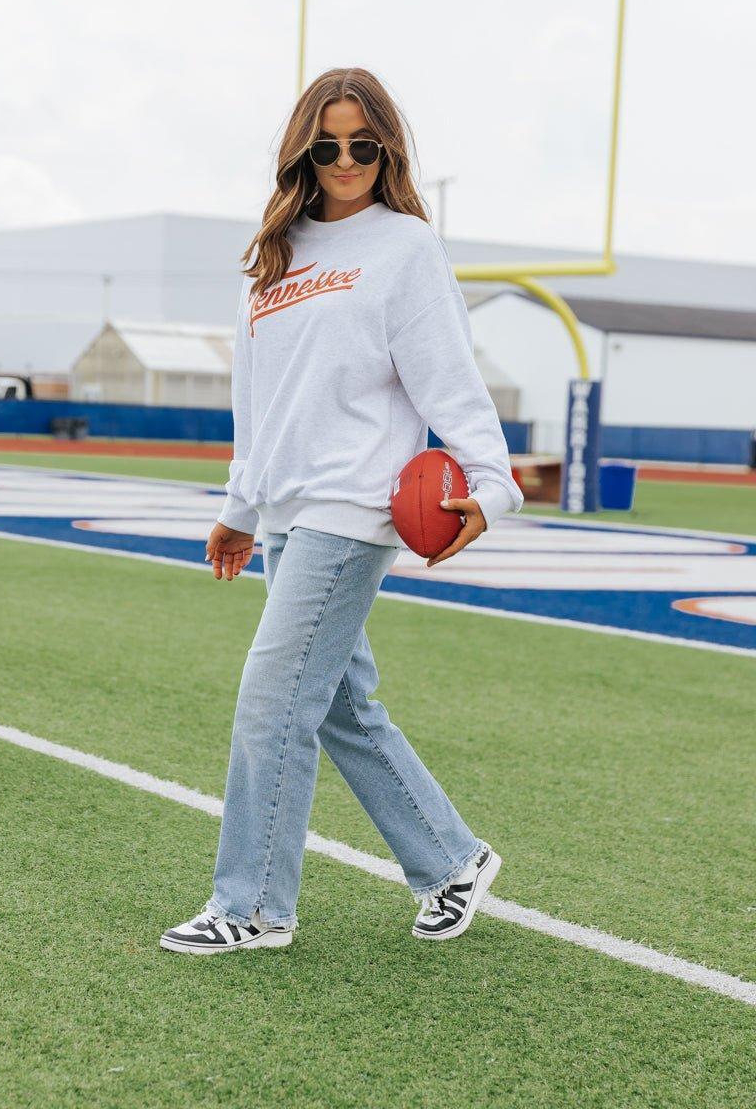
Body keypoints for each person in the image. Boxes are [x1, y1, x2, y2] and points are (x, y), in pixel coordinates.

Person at [160, 67, 524, 955]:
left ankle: (250, 906)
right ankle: (451, 860)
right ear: (304, 150)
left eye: (365, 143)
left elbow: (449, 376)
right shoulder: (272, 259)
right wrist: (241, 507)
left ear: (387, 148)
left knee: (271, 699)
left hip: (357, 502)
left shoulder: (404, 247)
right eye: (329, 143)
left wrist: (494, 483)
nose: (348, 157)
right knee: (339, 706)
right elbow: (258, 400)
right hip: (286, 506)